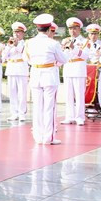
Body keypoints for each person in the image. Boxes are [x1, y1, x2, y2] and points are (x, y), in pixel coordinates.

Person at [25, 14, 66, 145]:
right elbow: (63, 59)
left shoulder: (29, 43)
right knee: (49, 108)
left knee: (37, 107)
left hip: (36, 74)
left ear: (37, 29)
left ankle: (38, 136)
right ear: (49, 29)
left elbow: (26, 59)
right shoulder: (53, 43)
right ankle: (48, 137)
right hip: (49, 75)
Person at [60, 18, 90, 126]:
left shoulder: (85, 41)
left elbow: (86, 55)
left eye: (75, 28)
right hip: (68, 67)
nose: (73, 31)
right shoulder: (65, 41)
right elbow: (62, 55)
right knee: (68, 94)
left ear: (79, 29)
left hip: (78, 68)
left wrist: (74, 49)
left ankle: (80, 117)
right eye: (71, 29)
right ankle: (69, 116)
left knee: (79, 94)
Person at [3, 22, 29, 122]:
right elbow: (4, 57)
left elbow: (24, 52)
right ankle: (14, 113)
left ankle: (22, 113)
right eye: (15, 32)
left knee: (22, 94)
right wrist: (9, 47)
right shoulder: (10, 44)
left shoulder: (26, 43)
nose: (16, 34)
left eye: (18, 32)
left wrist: (17, 45)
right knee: (12, 93)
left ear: (23, 33)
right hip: (11, 69)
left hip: (21, 69)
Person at [86, 24, 101, 117]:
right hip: (89, 69)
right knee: (89, 89)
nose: (93, 36)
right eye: (91, 34)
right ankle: (90, 107)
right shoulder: (85, 44)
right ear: (88, 35)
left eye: (95, 34)